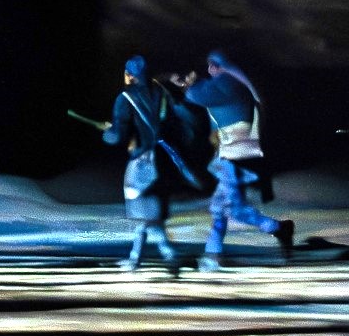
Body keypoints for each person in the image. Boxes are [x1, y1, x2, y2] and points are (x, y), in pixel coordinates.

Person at [182, 49, 293, 269]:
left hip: (236, 156)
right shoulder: (233, 83)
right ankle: (212, 254)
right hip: (232, 155)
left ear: (216, 65)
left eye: (211, 66)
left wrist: (190, 84)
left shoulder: (227, 83)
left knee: (233, 208)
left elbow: (198, 95)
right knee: (219, 208)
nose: (209, 70)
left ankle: (278, 228)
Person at [101, 56, 192, 272]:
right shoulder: (160, 91)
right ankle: (138, 259)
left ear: (129, 74)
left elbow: (118, 135)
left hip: (142, 163)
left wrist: (108, 133)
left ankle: (166, 255)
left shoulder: (125, 97)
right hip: (164, 159)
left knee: (143, 213)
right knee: (150, 213)